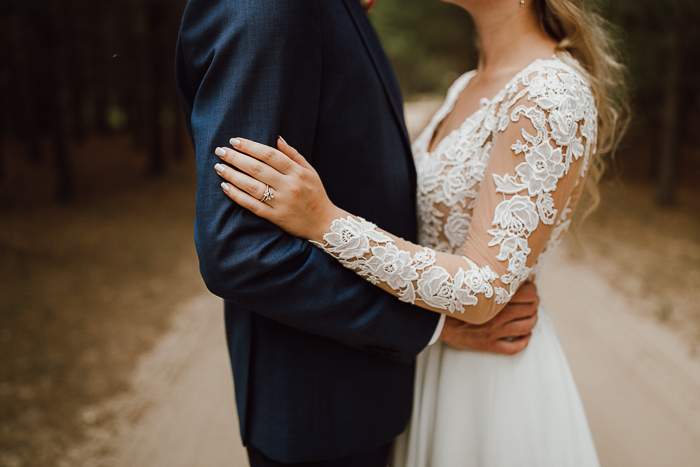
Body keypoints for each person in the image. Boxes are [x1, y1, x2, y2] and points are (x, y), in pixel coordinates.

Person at [211, 0, 628, 465]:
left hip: (490, 383)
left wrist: (326, 222)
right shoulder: (467, 86)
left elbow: (485, 288)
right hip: (429, 366)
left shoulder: (552, 90)